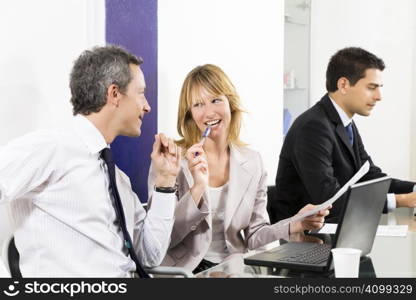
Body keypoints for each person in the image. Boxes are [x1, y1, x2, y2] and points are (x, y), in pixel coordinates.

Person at [0, 45, 181, 277]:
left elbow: (149, 254)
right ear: (114, 94)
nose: (147, 106)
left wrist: (166, 180)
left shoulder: (117, 179)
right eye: (141, 93)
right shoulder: (50, 148)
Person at [148, 64, 330, 273]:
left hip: (234, 269)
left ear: (230, 104)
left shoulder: (252, 162)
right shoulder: (171, 161)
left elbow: (255, 236)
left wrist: (295, 224)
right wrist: (197, 188)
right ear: (189, 113)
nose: (208, 112)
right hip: (184, 272)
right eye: (198, 104)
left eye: (216, 100)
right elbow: (162, 240)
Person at [270, 47, 416, 224]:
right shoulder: (313, 126)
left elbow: (369, 176)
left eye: (380, 88)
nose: (379, 96)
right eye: (372, 88)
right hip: (304, 238)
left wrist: (413, 189)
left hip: (337, 229)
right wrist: (401, 201)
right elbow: (328, 199)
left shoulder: (344, 122)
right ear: (343, 85)